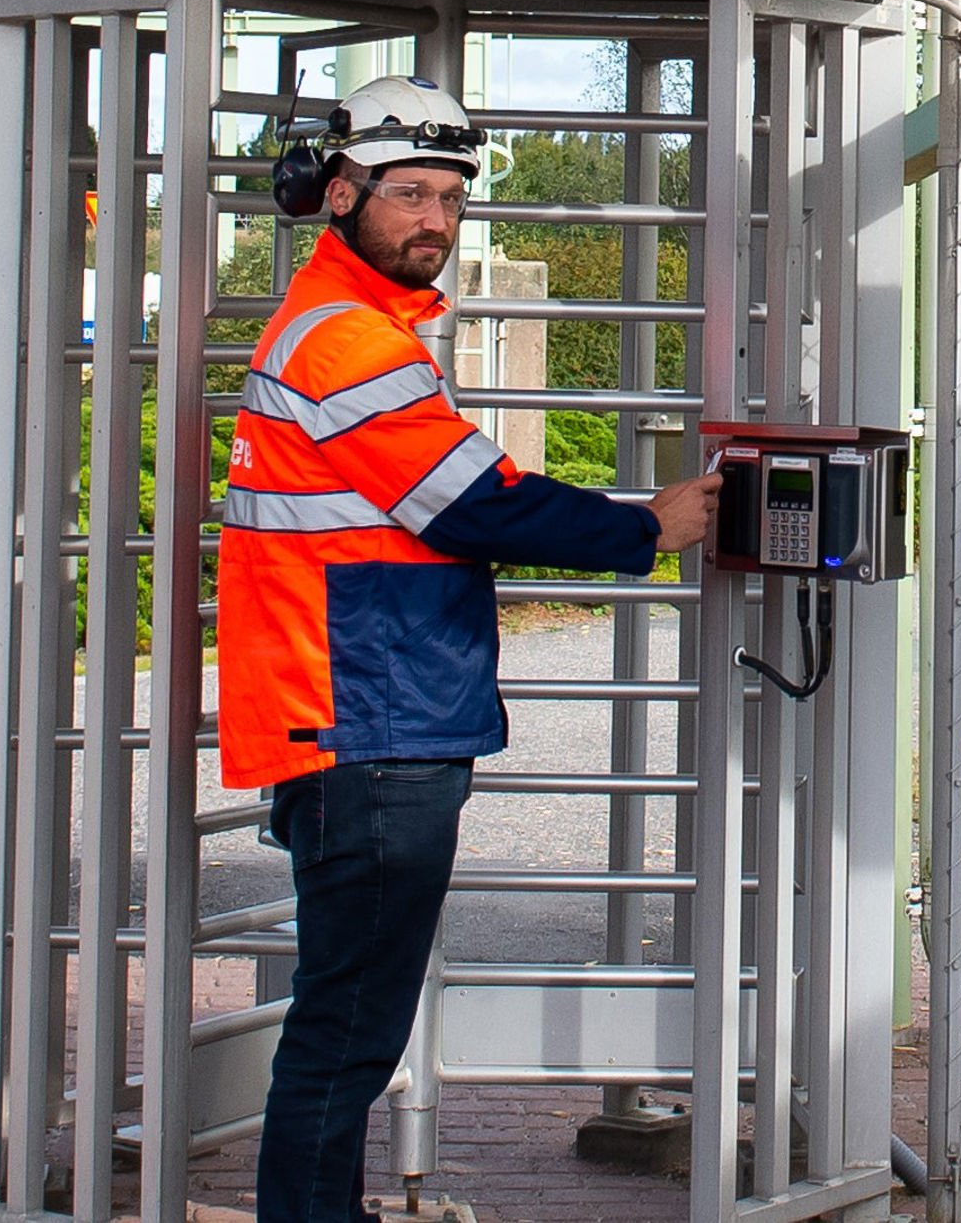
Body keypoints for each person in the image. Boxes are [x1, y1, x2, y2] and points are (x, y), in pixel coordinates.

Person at [216, 74, 720, 1223]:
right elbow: (471, 501)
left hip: (353, 710)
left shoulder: (357, 325)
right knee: (347, 1025)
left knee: (347, 1013)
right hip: (368, 719)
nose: (433, 218)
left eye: (448, 194)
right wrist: (648, 524)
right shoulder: (345, 338)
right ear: (335, 193)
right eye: (405, 193)